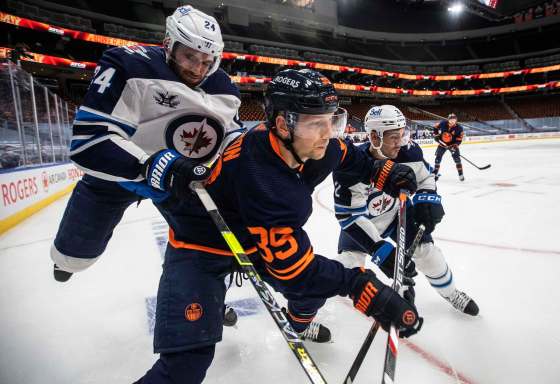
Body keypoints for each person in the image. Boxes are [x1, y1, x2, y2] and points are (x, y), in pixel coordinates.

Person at [133, 69, 423, 384]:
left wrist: (382, 171)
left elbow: (349, 156)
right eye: (316, 124)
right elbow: (296, 272)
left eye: (331, 120)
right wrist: (359, 286)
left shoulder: (312, 146)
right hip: (202, 246)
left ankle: (297, 325)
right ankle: (209, 302)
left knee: (312, 294)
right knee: (184, 368)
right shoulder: (264, 180)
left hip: (255, 238)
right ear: (284, 125)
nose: (328, 133)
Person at [50, 5, 243, 284]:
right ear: (168, 44)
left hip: (180, 178)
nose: (198, 69)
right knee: (72, 253)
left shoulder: (224, 88)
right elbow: (89, 141)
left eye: (206, 61)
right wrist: (149, 164)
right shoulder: (127, 63)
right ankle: (68, 259)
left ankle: (198, 293)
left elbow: (231, 138)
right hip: (116, 175)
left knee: (207, 246)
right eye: (189, 56)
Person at [333, 105, 479, 316]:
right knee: (348, 267)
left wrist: (426, 200)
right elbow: (350, 217)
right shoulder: (351, 165)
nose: (401, 142)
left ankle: (451, 292)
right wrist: (381, 250)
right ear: (375, 136)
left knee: (429, 255)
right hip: (363, 222)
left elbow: (426, 177)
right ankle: (304, 315)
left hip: (395, 215)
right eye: (394, 137)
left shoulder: (408, 151)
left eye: (403, 134)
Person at [432, 113, 465, 181]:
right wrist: (436, 135)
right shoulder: (443, 123)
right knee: (438, 158)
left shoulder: (459, 128)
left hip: (452, 145)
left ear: (456, 120)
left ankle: (460, 174)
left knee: (457, 159)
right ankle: (435, 173)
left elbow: (459, 139)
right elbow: (435, 127)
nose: (452, 121)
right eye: (451, 119)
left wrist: (455, 145)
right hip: (442, 144)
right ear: (448, 120)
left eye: (454, 119)